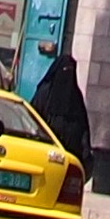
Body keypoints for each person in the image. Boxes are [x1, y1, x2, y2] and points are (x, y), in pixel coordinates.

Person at [27, 37, 92, 169]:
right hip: (44, 155)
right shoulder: (44, 94)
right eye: (64, 71)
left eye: (70, 71)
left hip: (70, 158)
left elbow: (83, 129)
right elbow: (32, 119)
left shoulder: (75, 98)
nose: (66, 76)